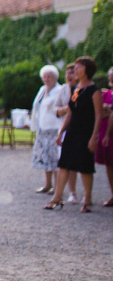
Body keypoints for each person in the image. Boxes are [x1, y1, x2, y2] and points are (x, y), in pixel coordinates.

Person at [46, 57, 103, 213]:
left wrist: (94, 136)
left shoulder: (94, 91)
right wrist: (61, 132)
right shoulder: (76, 89)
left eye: (79, 67)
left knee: (85, 167)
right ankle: (57, 197)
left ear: (87, 70)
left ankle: (87, 198)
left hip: (86, 132)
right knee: (64, 164)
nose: (76, 70)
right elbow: (70, 113)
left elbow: (98, 115)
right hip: (72, 132)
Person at [29, 64, 63, 194]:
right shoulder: (42, 90)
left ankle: (57, 186)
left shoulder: (60, 90)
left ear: (55, 78)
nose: (47, 79)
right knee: (45, 157)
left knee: (54, 158)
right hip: (42, 127)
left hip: (54, 127)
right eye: (45, 77)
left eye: (49, 77)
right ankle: (47, 184)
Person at [54, 64, 79, 203]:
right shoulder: (63, 89)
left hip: (77, 129)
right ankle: (59, 194)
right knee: (63, 162)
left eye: (72, 73)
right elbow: (56, 110)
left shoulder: (81, 89)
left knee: (73, 162)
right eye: (67, 73)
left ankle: (73, 192)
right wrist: (65, 109)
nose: (69, 76)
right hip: (64, 128)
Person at [96, 67, 113, 207]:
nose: (111, 78)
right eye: (110, 75)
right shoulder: (105, 94)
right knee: (109, 164)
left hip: (109, 132)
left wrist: (108, 109)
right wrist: (108, 109)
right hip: (105, 132)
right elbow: (99, 113)